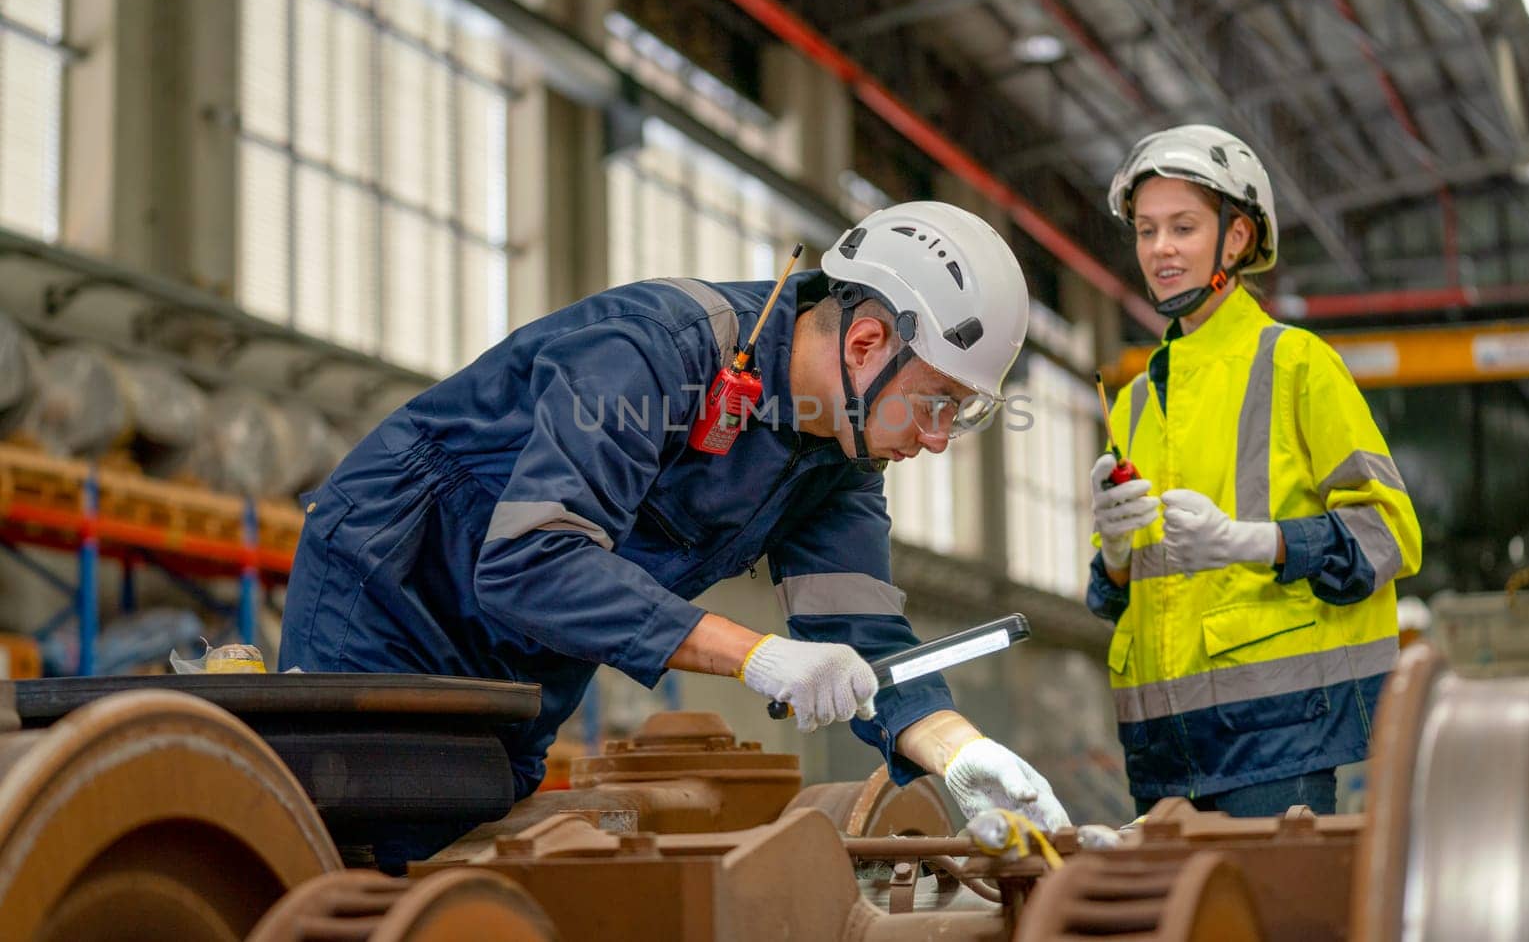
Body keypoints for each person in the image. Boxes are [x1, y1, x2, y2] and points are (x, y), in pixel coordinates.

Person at [281, 200, 1070, 862]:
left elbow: (861, 632)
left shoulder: (839, 456)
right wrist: (756, 655)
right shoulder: (650, 351)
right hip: (391, 585)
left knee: (471, 839)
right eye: (937, 402)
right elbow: (530, 560)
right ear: (866, 346)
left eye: (962, 416)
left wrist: (958, 749)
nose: (937, 437)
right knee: (365, 836)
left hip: (528, 652)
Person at [1086, 125, 1422, 818]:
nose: (1160, 249)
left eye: (1182, 227)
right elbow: (1121, 596)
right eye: (1146, 230)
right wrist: (1115, 553)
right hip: (1161, 756)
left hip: (1277, 746)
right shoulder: (1137, 398)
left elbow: (1390, 532)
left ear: (1235, 239)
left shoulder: (1296, 363)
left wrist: (1254, 542)